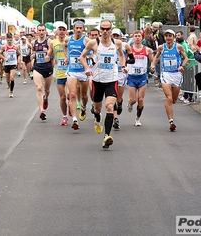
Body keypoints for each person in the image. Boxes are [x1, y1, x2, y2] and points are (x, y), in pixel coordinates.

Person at [80, 19, 131, 149]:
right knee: (97, 109)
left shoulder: (117, 43)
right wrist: (87, 68)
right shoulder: (93, 43)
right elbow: (82, 56)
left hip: (112, 80)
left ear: (111, 29)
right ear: (100, 29)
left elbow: (121, 55)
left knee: (109, 107)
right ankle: (97, 118)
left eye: (107, 29)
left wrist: (123, 66)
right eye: (103, 29)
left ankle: (106, 136)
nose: (105, 31)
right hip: (97, 80)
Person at [151, 29, 188, 131]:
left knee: (174, 100)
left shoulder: (178, 47)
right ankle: (171, 121)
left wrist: (182, 66)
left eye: (170, 36)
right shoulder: (161, 47)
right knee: (169, 98)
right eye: (166, 36)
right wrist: (153, 65)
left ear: (173, 37)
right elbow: (156, 57)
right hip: (166, 74)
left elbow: (186, 58)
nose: (168, 38)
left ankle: (169, 106)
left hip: (176, 74)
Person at [65, 18, 91, 129]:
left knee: (84, 95)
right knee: (72, 94)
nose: (79, 30)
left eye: (81, 28)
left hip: (83, 72)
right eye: (77, 28)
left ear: (83, 29)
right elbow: (65, 47)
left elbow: (94, 50)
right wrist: (67, 57)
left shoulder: (87, 41)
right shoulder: (68, 39)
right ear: (74, 28)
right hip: (72, 71)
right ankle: (75, 119)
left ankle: (84, 107)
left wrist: (89, 57)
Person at [126, 30, 154, 126]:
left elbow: (153, 61)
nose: (137, 38)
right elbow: (124, 60)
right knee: (133, 100)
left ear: (141, 38)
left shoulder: (147, 50)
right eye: (135, 36)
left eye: (139, 36)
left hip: (142, 76)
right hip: (132, 77)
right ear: (133, 38)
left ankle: (137, 119)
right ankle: (130, 104)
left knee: (141, 99)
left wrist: (152, 67)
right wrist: (124, 67)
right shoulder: (129, 49)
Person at [31, 23, 53, 120]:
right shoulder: (33, 42)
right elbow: (33, 52)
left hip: (47, 67)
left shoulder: (49, 42)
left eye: (42, 30)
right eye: (39, 30)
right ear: (37, 31)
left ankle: (46, 98)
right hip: (37, 67)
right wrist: (32, 55)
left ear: (45, 31)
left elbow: (53, 54)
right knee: (39, 88)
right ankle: (41, 111)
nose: (41, 32)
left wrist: (48, 54)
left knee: (47, 90)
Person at [49, 21, 69, 125]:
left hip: (70, 72)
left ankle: (72, 106)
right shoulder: (53, 42)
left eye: (63, 30)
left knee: (71, 95)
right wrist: (47, 57)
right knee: (63, 97)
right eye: (59, 30)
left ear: (66, 31)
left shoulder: (69, 41)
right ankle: (64, 116)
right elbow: (49, 54)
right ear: (57, 31)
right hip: (58, 73)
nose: (61, 32)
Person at [175, 30, 196, 104]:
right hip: (184, 65)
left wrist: (182, 64)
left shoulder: (184, 44)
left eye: (179, 35)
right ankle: (185, 95)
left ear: (182, 35)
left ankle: (190, 97)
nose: (178, 36)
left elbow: (186, 55)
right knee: (185, 80)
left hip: (190, 64)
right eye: (176, 35)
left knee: (189, 81)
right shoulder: (178, 44)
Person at [0, 32, 21, 98]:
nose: (9, 41)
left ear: (12, 39)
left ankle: (11, 92)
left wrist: (20, 60)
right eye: (8, 40)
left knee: (12, 77)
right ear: (6, 39)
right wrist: (3, 58)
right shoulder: (4, 47)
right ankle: (8, 84)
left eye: (10, 40)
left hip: (13, 63)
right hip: (6, 64)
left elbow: (20, 54)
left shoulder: (15, 46)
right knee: (8, 80)